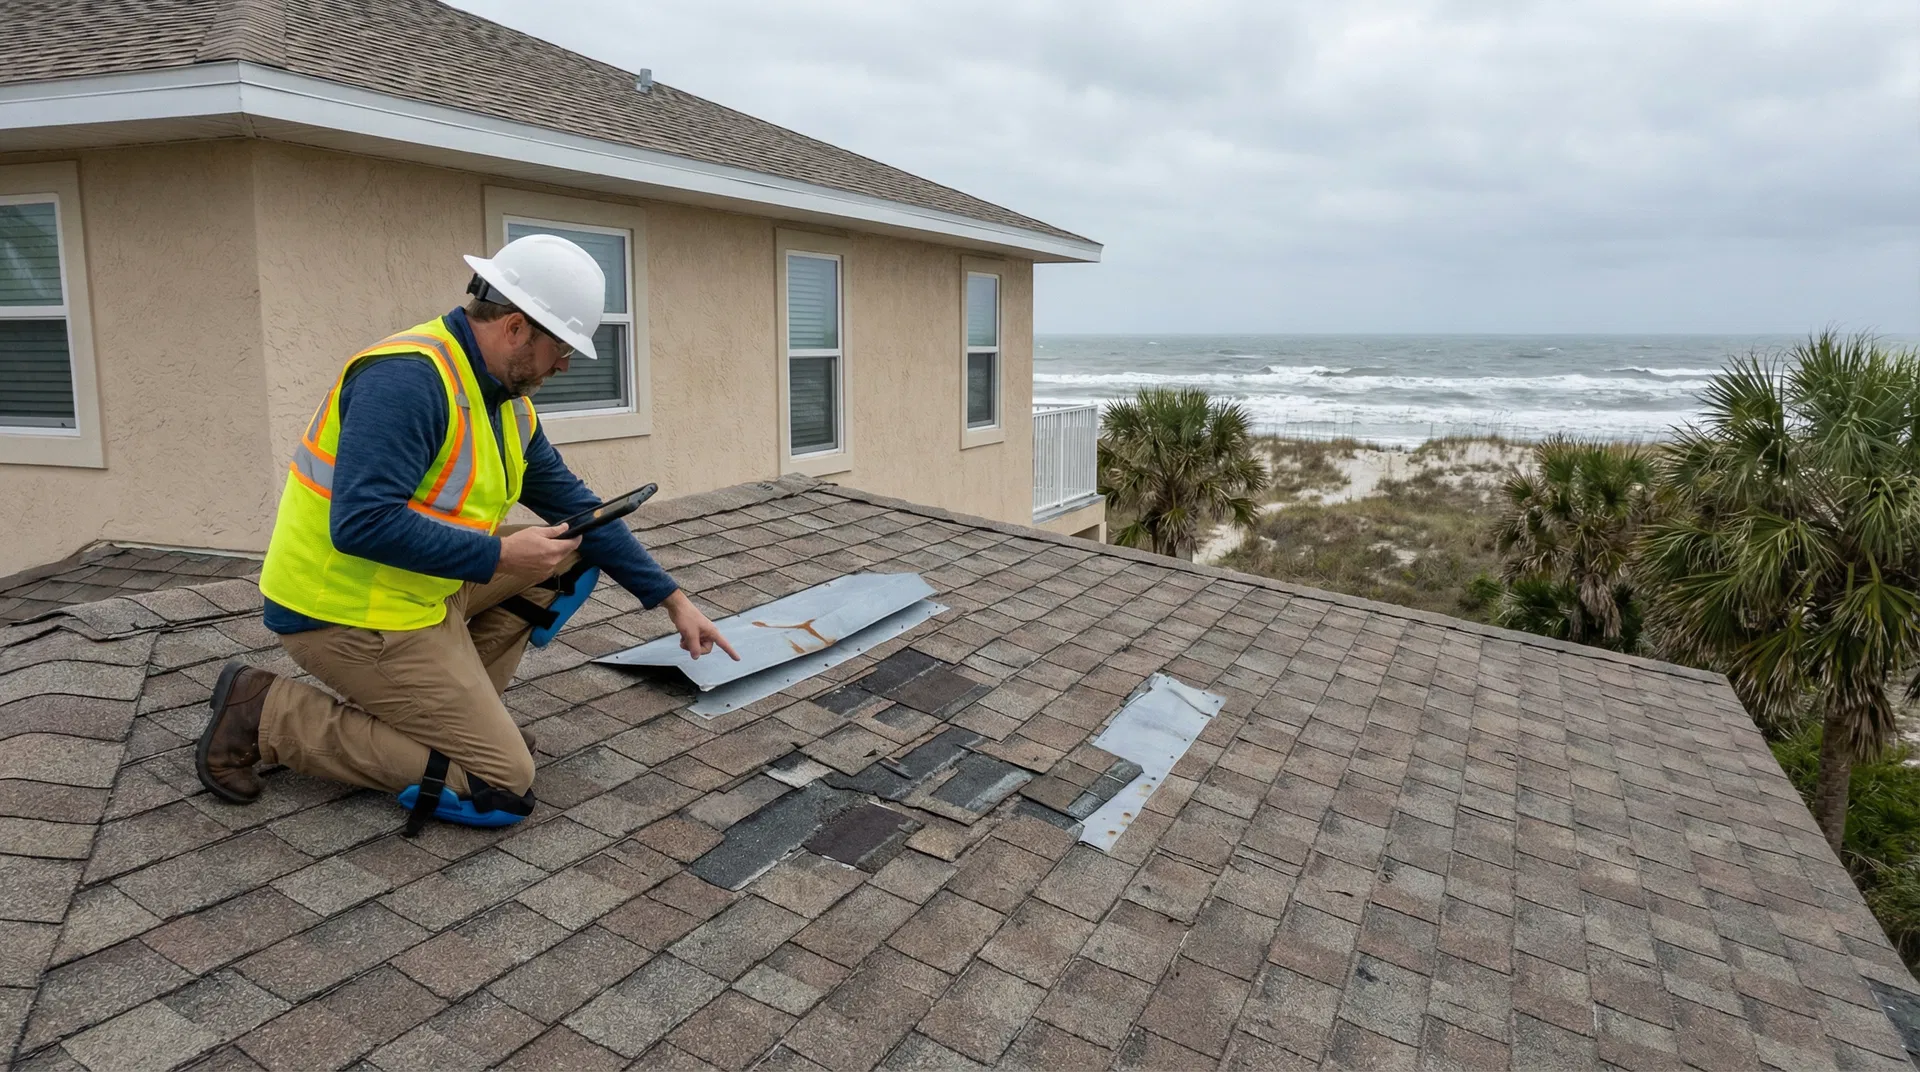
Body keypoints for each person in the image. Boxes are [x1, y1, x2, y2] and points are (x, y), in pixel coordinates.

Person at [195, 233, 737, 832]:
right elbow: (360, 523)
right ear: (514, 328)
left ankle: (449, 715)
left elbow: (582, 509)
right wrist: (500, 555)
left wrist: (673, 601)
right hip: (346, 610)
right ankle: (270, 714)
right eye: (562, 348)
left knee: (569, 550)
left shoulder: (505, 399)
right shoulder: (408, 381)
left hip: (417, 592)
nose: (564, 366)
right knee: (502, 784)